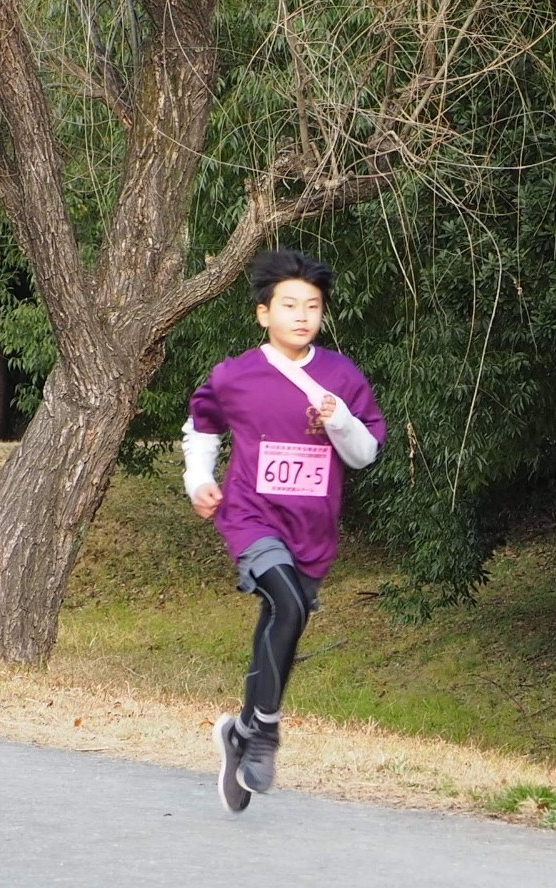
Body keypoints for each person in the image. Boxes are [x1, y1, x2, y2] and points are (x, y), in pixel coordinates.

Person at [181, 249, 386, 813]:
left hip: (312, 527)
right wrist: (199, 479)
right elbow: (201, 426)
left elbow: (365, 453)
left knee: (285, 619)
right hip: (251, 515)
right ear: (263, 313)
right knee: (288, 606)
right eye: (289, 305)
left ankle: (242, 732)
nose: (301, 316)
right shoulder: (236, 375)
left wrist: (339, 420)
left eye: (312, 306)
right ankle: (265, 732)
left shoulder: (341, 376)